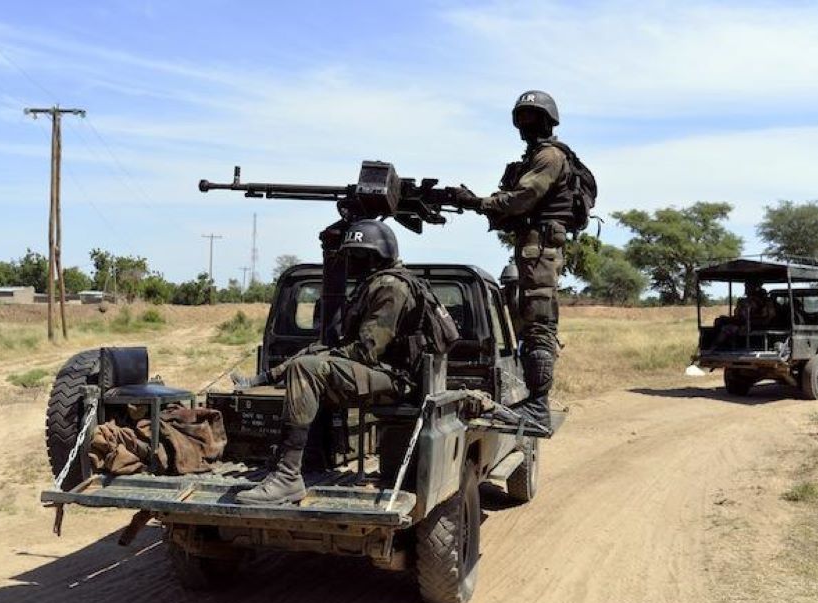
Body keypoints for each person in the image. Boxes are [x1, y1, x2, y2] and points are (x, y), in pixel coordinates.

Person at [230, 219, 418, 505]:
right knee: (311, 355)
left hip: (393, 378)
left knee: (307, 367)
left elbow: (367, 350)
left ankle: (288, 476)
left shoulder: (391, 287)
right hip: (375, 370)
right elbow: (345, 346)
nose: (349, 263)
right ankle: (263, 385)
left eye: (355, 255)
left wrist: (323, 357)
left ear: (373, 256)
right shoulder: (375, 283)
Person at [454, 89, 575, 433]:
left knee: (539, 325)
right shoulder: (536, 155)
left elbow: (524, 197)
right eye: (522, 119)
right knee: (526, 321)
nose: (526, 125)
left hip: (540, 249)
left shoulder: (549, 156)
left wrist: (478, 202)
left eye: (532, 119)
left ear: (547, 121)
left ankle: (538, 407)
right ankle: (533, 400)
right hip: (532, 247)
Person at [713, 281, 777, 346]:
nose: (746, 289)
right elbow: (738, 314)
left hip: (755, 323)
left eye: (748, 287)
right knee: (720, 320)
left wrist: (754, 317)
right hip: (744, 321)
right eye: (746, 287)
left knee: (727, 328)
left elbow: (770, 315)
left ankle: (716, 346)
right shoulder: (745, 300)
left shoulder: (765, 302)